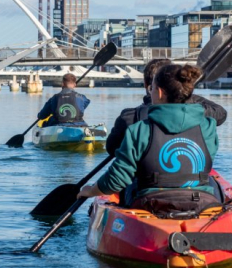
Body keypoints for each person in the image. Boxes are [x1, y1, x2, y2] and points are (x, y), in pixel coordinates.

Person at [78, 64, 221, 217]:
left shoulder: (139, 130)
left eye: (152, 88)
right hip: (201, 203)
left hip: (150, 205)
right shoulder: (208, 127)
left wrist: (90, 190)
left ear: (159, 92)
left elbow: (116, 180)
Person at [106, 58, 226, 157]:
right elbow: (220, 114)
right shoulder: (201, 117)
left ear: (146, 84)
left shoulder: (129, 117)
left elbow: (112, 149)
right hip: (192, 180)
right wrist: (187, 102)